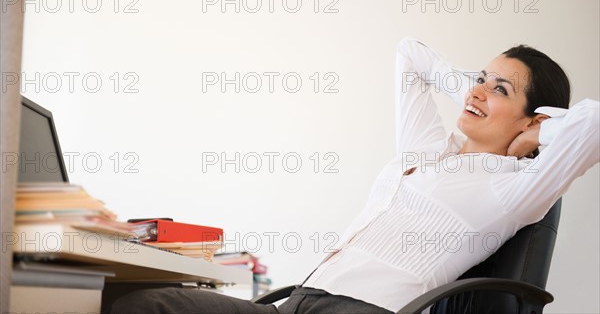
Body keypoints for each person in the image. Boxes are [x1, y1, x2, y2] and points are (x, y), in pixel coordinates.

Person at [110, 38, 599, 314]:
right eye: (479, 77)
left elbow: (594, 125)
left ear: (533, 117)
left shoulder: (513, 188)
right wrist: (476, 93)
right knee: (141, 301)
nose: (478, 91)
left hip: (363, 311)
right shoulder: (427, 150)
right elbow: (409, 55)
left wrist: (539, 133)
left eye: (501, 89)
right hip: (298, 300)